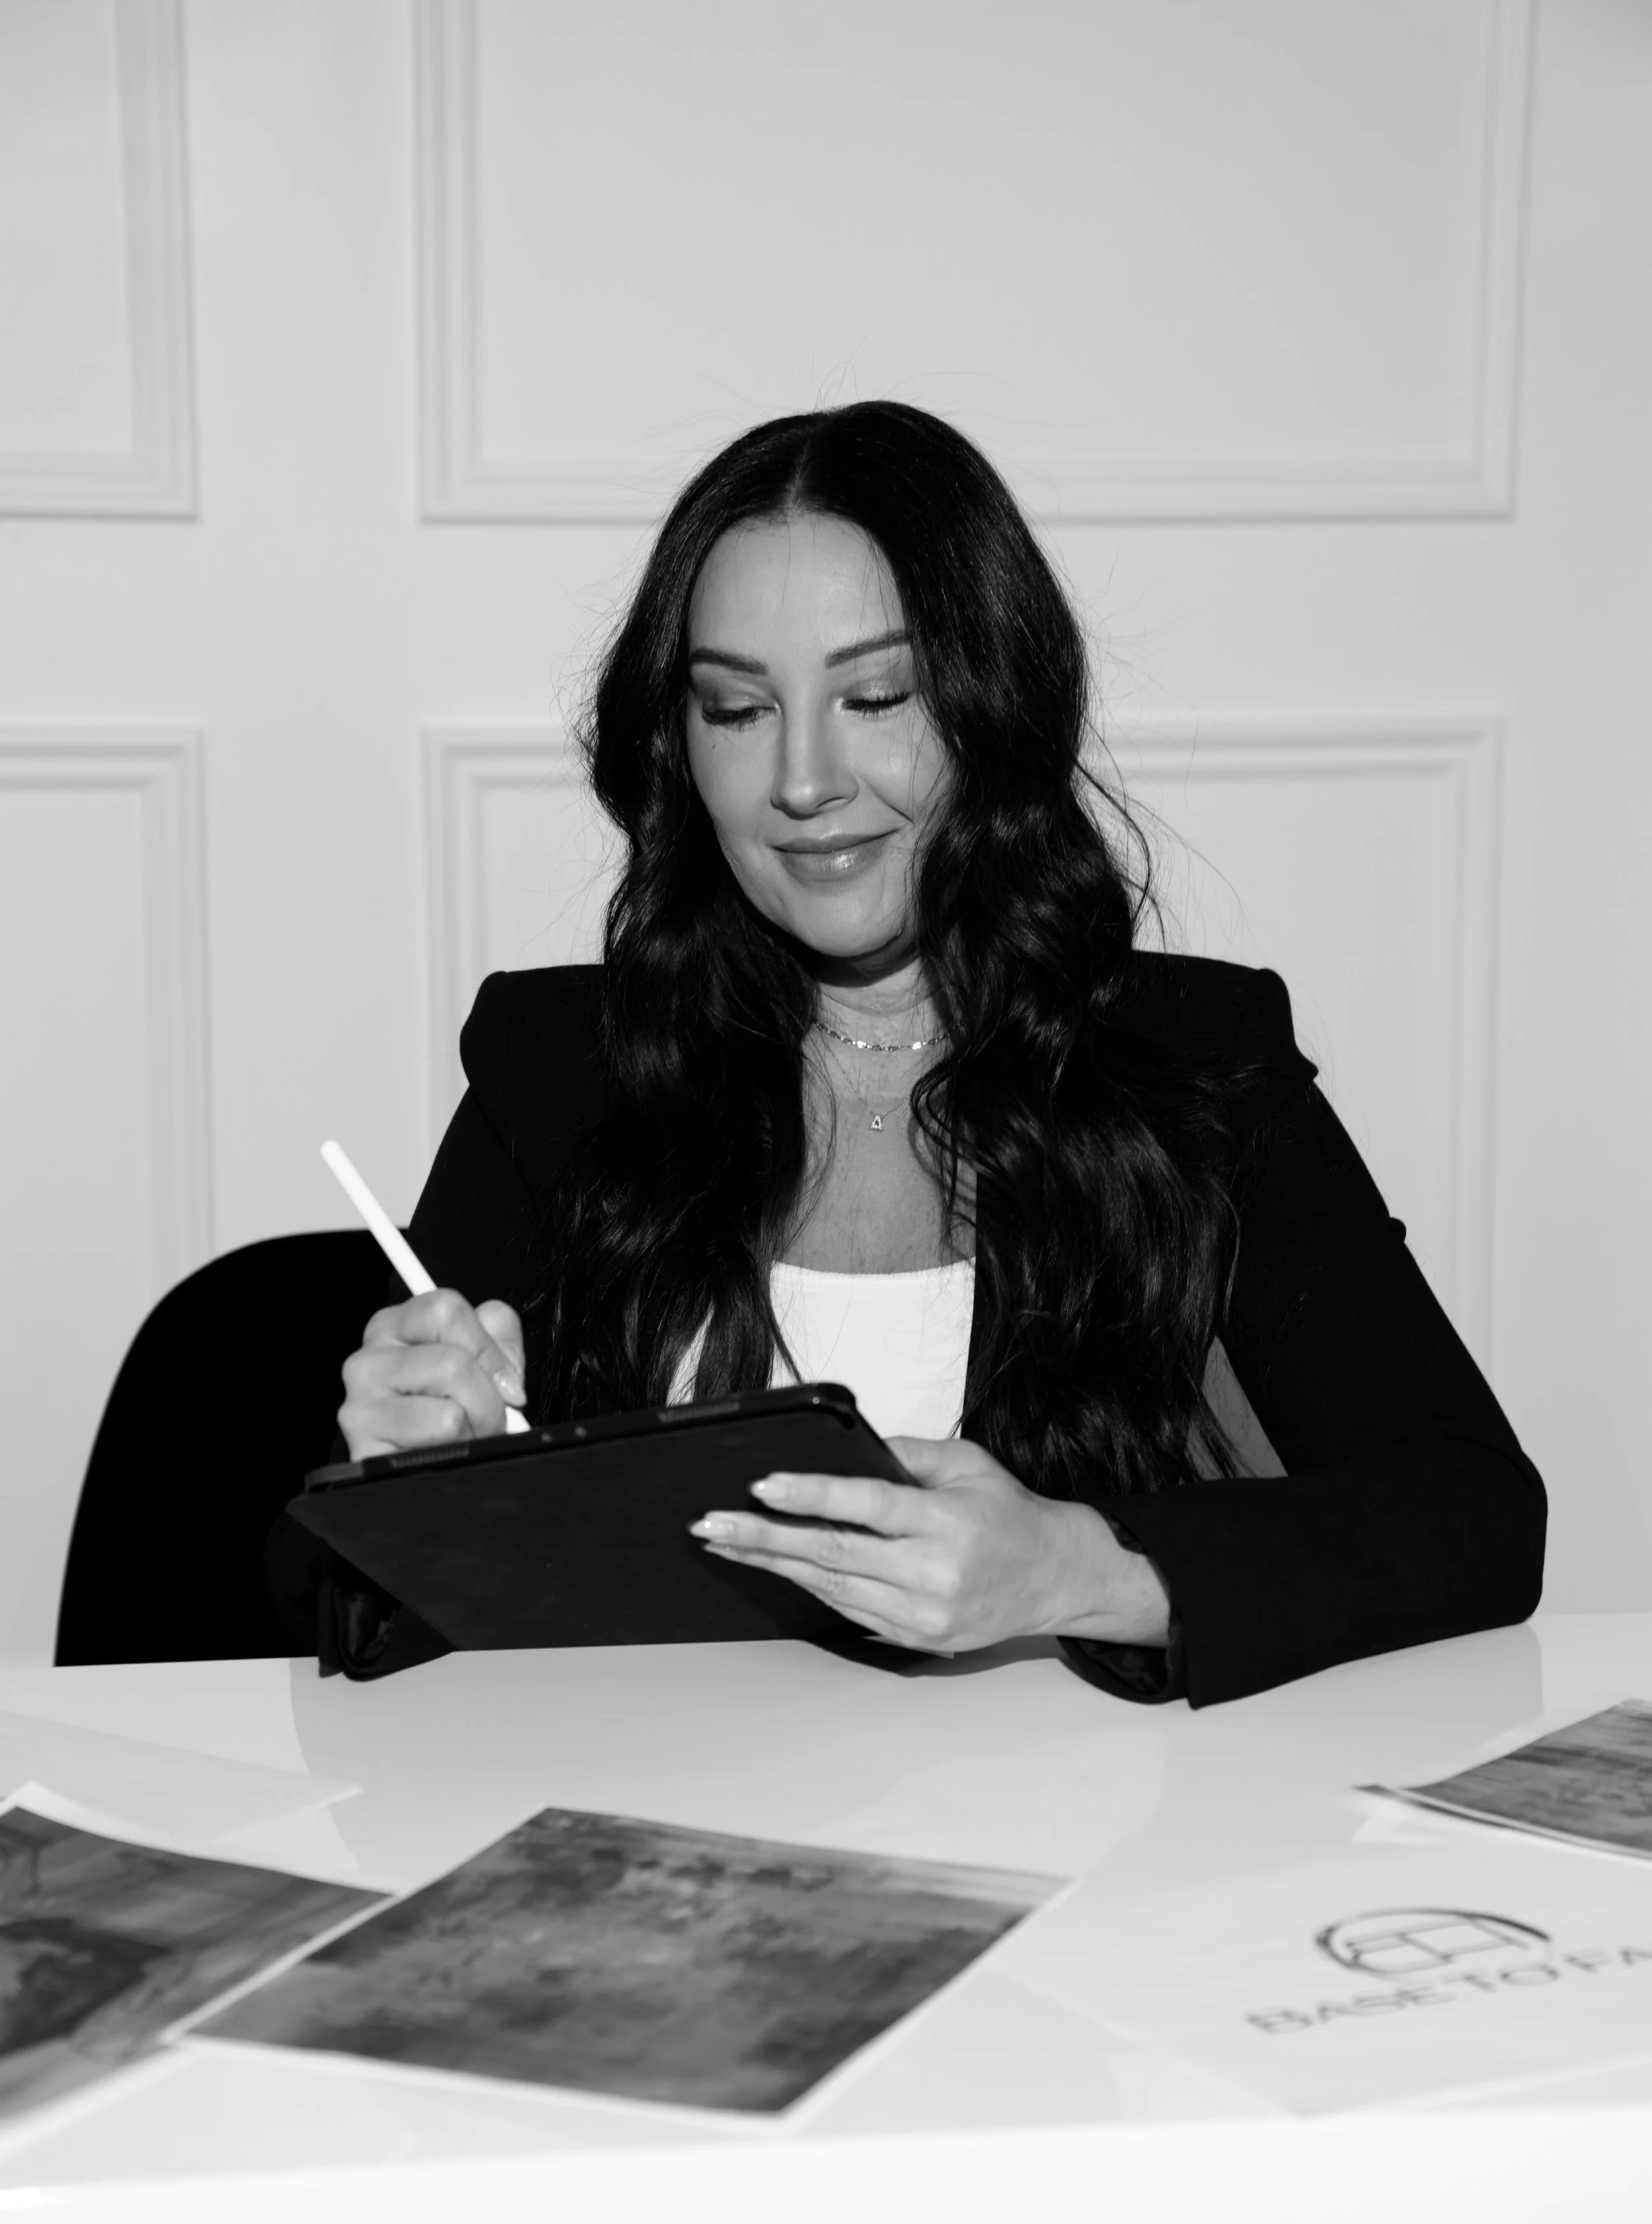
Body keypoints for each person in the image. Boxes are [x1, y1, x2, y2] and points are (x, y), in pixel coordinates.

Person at [294, 400, 1544, 1705]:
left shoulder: (1192, 1066)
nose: (801, 778)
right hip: (665, 1856)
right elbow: (315, 1596)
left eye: (875, 696)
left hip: (1097, 1864)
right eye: (735, 709)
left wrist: (1077, 1567)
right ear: (678, 748)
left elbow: (1471, 1510)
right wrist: (403, 1485)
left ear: (993, 705)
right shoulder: (560, 1067)